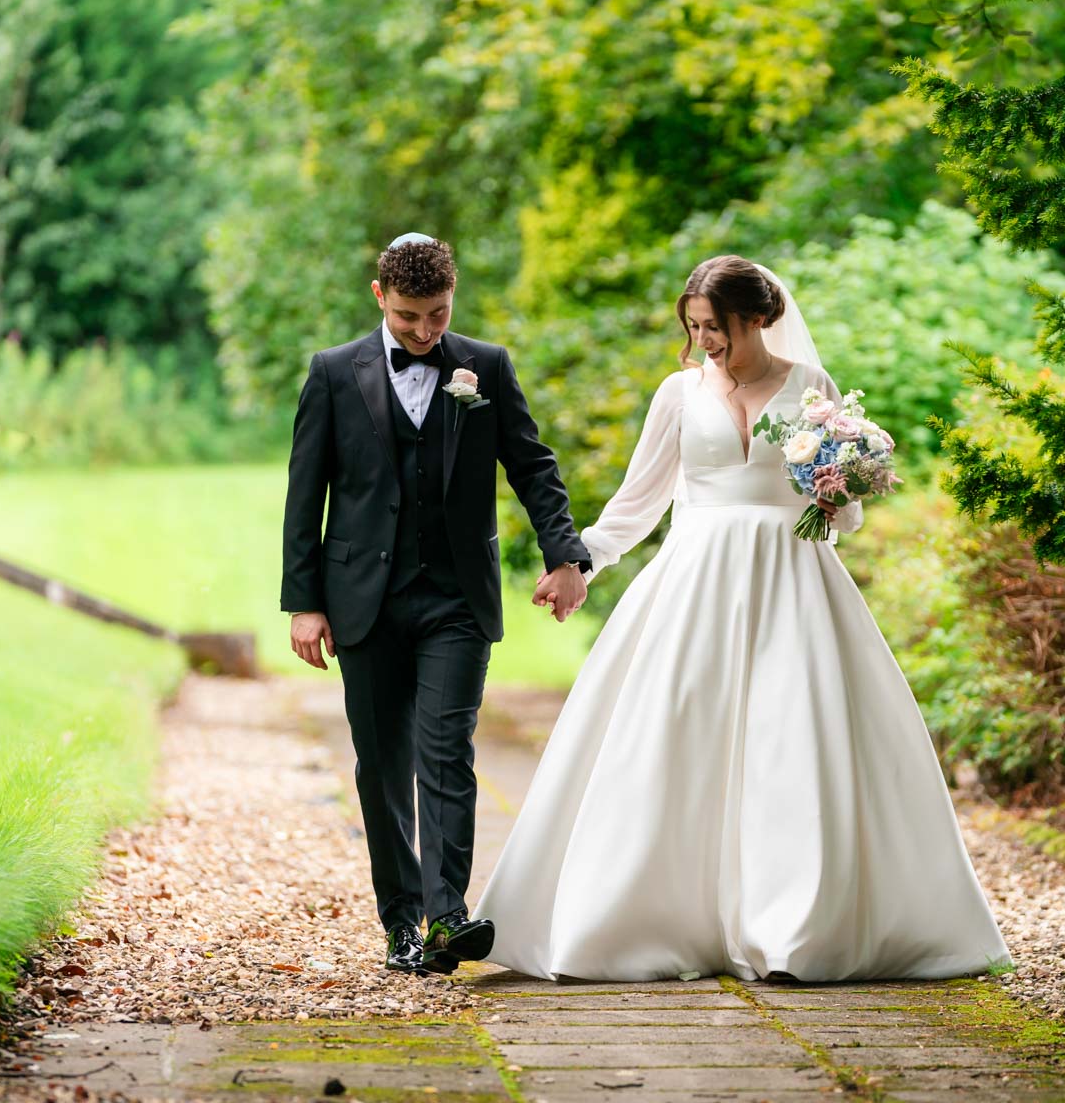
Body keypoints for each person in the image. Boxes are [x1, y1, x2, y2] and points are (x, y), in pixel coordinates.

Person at [480, 255, 1010, 982]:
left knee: (790, 746)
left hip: (792, 585)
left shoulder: (810, 388)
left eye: (717, 327)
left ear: (757, 318)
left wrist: (839, 482)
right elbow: (638, 504)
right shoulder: (678, 392)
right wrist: (579, 563)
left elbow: (844, 519)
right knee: (671, 738)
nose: (705, 342)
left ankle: (789, 931)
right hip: (694, 585)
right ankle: (642, 921)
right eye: (694, 328)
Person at [280, 233, 592, 975]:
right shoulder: (331, 374)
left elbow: (533, 465)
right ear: (379, 296)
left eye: (440, 315)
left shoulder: (485, 366)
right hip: (363, 601)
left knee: (447, 751)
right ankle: (401, 926)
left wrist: (566, 554)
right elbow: (305, 492)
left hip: (456, 597)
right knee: (382, 764)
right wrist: (304, 602)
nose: (427, 332)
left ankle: (447, 916)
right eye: (412, 317)